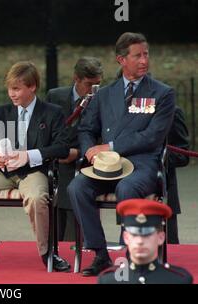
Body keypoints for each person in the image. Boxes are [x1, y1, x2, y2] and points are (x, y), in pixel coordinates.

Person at [67, 32, 175, 276]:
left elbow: (153, 137)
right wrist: (90, 152)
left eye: (146, 54)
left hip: (143, 165)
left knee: (127, 188)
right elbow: (85, 129)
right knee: (77, 187)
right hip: (107, 166)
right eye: (137, 56)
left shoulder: (163, 93)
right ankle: (100, 254)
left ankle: (131, 256)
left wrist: (111, 146)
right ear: (121, 60)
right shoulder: (104, 94)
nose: (144, 60)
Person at [0, 61, 71, 271]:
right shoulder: (1, 113)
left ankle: (47, 252)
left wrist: (29, 156)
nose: (11, 94)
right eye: (9, 88)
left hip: (34, 171)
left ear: (32, 87)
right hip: (2, 172)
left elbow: (63, 148)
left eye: (16, 89)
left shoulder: (52, 112)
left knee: (37, 198)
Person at [46, 57, 103, 241]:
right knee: (53, 224)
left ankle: (75, 251)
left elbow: (103, 136)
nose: (94, 90)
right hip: (56, 165)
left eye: (98, 85)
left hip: (84, 164)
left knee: (74, 228)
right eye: (89, 84)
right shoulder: (55, 97)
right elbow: (46, 129)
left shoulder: (102, 100)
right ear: (76, 79)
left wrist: (79, 153)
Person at [98, 198, 193, 284]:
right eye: (134, 234)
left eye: (147, 235)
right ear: (126, 238)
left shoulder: (178, 281)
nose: (140, 241)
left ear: (161, 238)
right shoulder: (109, 280)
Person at [166, 106, 189, 244]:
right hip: (128, 190)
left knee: (171, 251)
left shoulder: (172, 111)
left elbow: (182, 156)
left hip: (163, 188)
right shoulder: (122, 108)